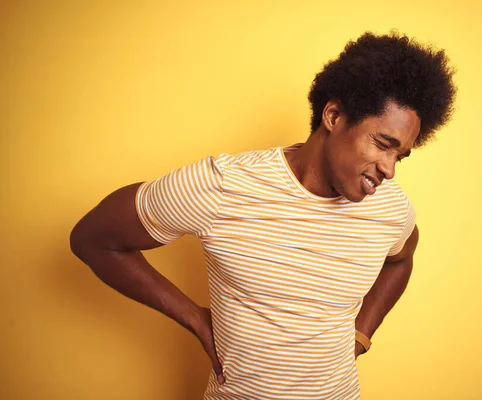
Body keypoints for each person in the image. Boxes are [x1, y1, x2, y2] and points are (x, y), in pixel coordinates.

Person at [70, 31, 456, 399]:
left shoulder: (390, 208)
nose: (390, 169)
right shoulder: (223, 185)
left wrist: (361, 334)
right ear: (335, 117)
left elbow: (400, 261)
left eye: (399, 155)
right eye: (382, 144)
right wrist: (194, 318)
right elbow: (95, 239)